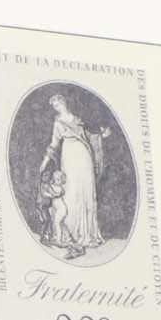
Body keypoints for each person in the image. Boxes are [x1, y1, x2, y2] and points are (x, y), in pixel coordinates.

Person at [39, 89, 111, 257]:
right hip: (69, 156)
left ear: (64, 102)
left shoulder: (79, 120)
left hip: (84, 155)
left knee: (85, 189)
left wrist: (103, 134)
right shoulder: (58, 123)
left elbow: (91, 134)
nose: (57, 108)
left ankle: (87, 234)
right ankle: (72, 233)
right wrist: (45, 162)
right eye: (54, 106)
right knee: (71, 191)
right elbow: (54, 144)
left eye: (58, 104)